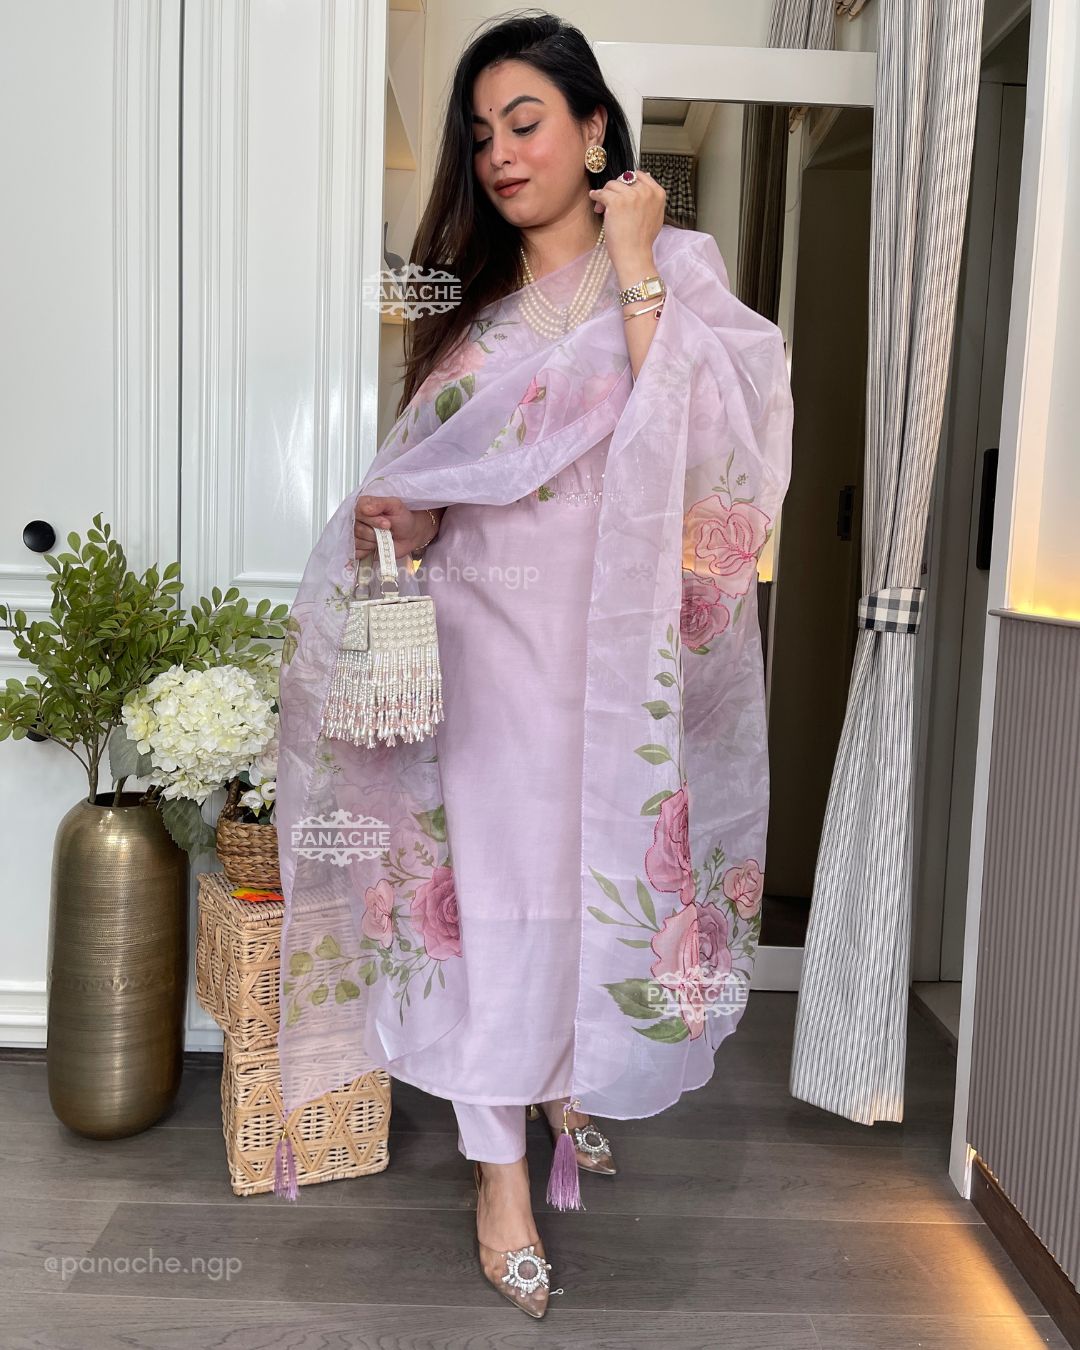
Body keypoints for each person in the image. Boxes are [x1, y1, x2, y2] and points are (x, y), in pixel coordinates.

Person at [274, 10, 793, 1322]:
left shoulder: (674, 267)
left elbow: (716, 444)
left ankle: (566, 1078)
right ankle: (499, 1172)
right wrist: (409, 521)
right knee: (496, 896)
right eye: (481, 134)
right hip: (484, 648)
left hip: (616, 658)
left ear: (593, 129)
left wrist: (634, 263)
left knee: (588, 879)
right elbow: (440, 492)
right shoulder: (475, 317)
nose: (501, 154)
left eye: (526, 122)